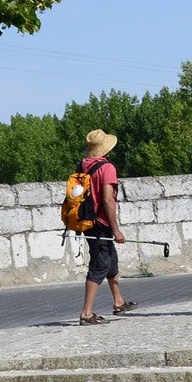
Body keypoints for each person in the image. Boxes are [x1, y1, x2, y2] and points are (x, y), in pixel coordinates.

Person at [76, 129, 137, 325]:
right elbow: (108, 201)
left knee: (111, 260)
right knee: (100, 264)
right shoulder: (107, 168)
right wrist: (116, 229)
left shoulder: (83, 165)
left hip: (87, 221)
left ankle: (118, 301)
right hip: (101, 223)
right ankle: (86, 313)